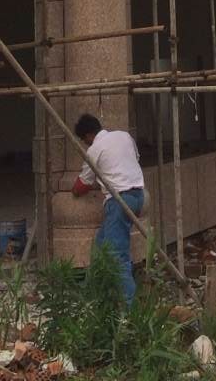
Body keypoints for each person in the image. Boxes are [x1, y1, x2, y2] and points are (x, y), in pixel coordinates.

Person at [72, 113, 145, 304]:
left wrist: (75, 189)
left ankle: (128, 307)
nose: (85, 144)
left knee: (117, 254)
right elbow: (134, 159)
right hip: (138, 195)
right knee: (101, 244)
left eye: (84, 140)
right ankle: (96, 294)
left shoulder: (94, 150)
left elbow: (81, 186)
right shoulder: (124, 136)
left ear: (88, 135)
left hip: (119, 201)